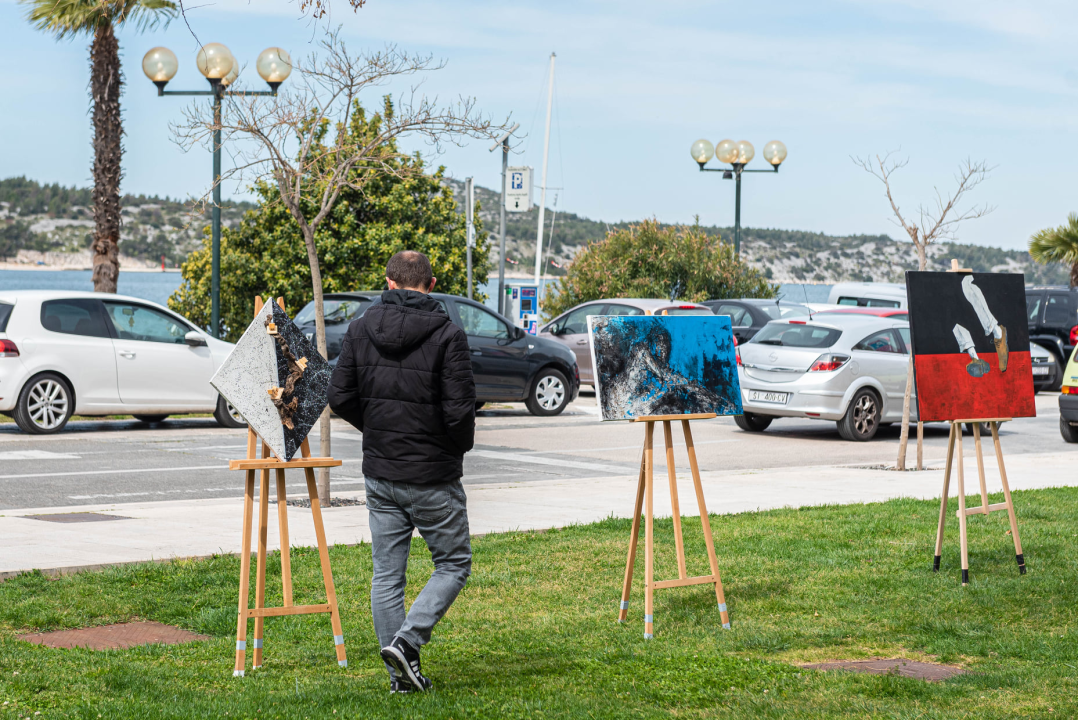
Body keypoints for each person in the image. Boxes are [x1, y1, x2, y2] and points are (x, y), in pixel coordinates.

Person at [327, 250, 476, 693]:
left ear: (389, 283)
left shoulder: (359, 328)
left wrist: (377, 428)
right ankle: (407, 644)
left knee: (387, 575)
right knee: (453, 563)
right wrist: (451, 448)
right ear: (431, 285)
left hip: (381, 470)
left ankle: (401, 677)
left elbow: (340, 397)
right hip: (431, 474)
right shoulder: (449, 334)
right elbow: (460, 414)